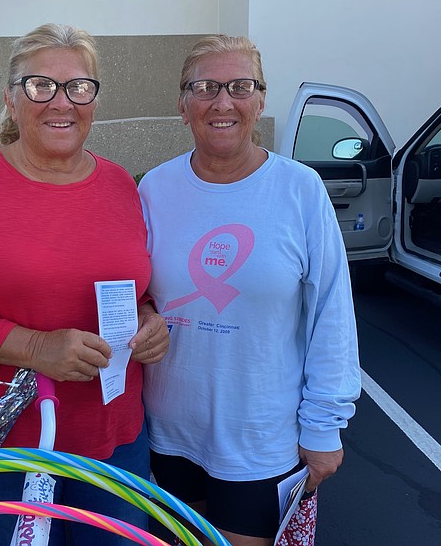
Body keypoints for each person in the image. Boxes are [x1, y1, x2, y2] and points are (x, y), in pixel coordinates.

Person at [0, 23, 169, 546]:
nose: (62, 102)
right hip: (7, 440)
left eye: (79, 87)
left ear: (94, 100)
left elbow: (135, 289)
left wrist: (148, 321)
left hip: (113, 436)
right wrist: (35, 348)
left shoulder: (121, 185)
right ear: (11, 97)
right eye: (41, 85)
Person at [138, 35, 361, 546]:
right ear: (183, 105)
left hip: (260, 437)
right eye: (205, 88)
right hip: (167, 432)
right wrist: (146, 311)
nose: (223, 102)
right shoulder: (154, 188)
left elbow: (331, 315)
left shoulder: (300, 190)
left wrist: (324, 426)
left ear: (260, 100)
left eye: (240, 86)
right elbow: (137, 287)